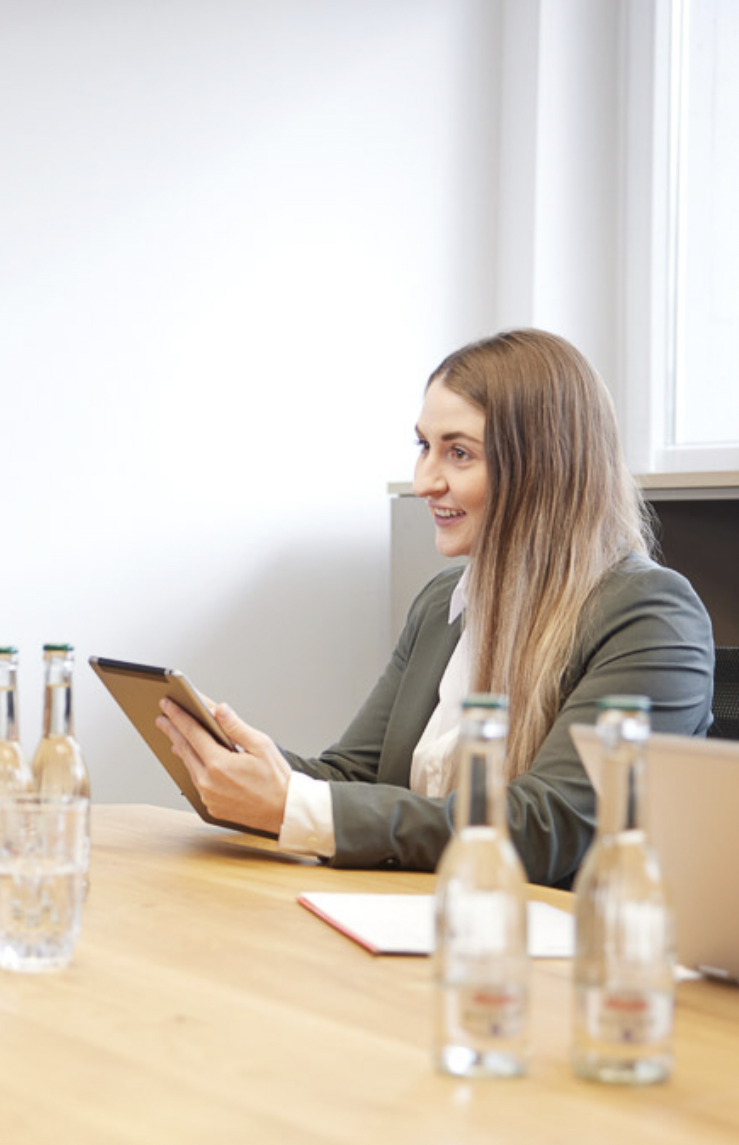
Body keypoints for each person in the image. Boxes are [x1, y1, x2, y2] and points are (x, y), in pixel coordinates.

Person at [158, 328, 715, 889]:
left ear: (544, 465)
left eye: (459, 453)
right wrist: (229, 755)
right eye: (425, 446)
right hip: (430, 922)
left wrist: (290, 806)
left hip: (559, 952)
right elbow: (355, 777)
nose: (425, 481)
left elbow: (545, 828)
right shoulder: (441, 604)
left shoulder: (651, 616)